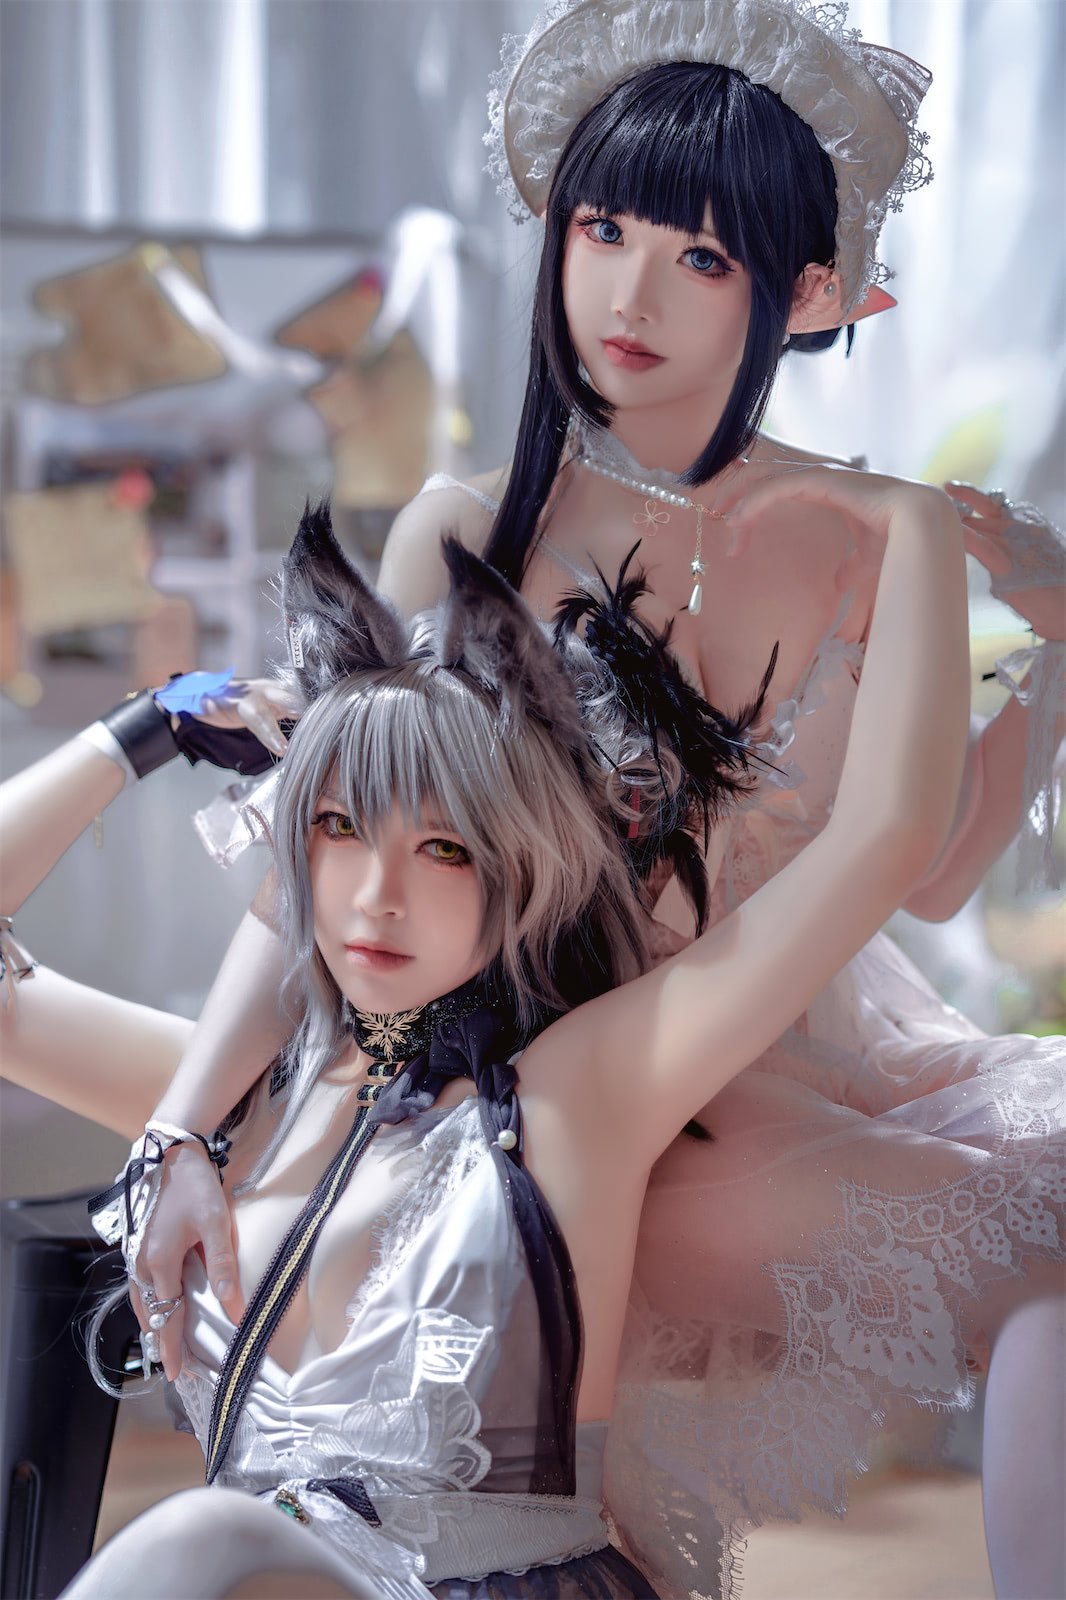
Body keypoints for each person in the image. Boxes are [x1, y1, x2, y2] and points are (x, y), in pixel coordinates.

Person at [2, 0, 1063, 1593]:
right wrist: (178, 1130)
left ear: (803, 291)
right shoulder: (465, 520)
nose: (628, 294)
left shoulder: (878, 529)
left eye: (700, 257)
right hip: (458, 1049)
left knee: (1032, 1266)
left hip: (704, 1071)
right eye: (600, 230)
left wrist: (1050, 660)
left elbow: (903, 856)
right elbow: (325, 850)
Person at [2, 484, 977, 1597]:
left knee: (195, 1540)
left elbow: (882, 837)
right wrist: (146, 726)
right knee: (206, 1540)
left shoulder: (581, 1088)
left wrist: (921, 527)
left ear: (519, 868)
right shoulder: (236, 1101)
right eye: (339, 827)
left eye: (443, 849)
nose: (376, 895)